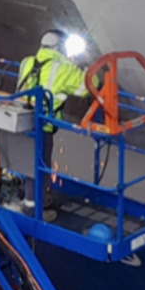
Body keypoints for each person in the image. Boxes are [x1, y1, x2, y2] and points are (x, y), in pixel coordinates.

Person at [17, 29, 97, 223]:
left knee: (25, 161)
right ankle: (33, 209)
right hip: (43, 126)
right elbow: (90, 84)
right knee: (40, 166)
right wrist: (83, 64)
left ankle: (30, 196)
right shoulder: (63, 69)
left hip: (22, 122)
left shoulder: (27, 62)